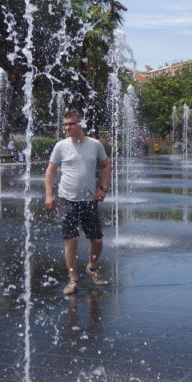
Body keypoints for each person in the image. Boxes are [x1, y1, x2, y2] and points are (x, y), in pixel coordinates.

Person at [44, 110, 112, 295]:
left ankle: (91, 267)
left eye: (71, 124)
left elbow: (107, 166)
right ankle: (73, 279)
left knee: (96, 240)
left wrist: (103, 188)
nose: (67, 128)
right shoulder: (60, 146)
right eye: (65, 124)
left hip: (89, 200)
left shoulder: (95, 145)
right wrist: (49, 195)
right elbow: (50, 171)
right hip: (67, 200)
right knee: (71, 240)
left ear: (81, 124)